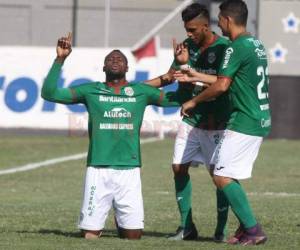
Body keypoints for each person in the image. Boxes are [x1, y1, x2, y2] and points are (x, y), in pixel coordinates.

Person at [41, 33, 180, 240]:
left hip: (129, 170)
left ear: (127, 68)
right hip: (98, 169)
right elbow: (49, 93)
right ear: (104, 68)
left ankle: (121, 217)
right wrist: (60, 59)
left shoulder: (141, 91)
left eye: (120, 59)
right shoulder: (90, 90)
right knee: (90, 235)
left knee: (133, 237)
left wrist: (180, 63)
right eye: (110, 60)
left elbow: (177, 99)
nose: (115, 61)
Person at [180, 0, 270, 246]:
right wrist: (196, 74)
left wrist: (193, 102)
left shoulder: (234, 47)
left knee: (221, 176)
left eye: (219, 19)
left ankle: (253, 230)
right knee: (227, 172)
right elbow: (228, 79)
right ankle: (244, 227)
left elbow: (222, 85)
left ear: (228, 20)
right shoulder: (255, 44)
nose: (217, 24)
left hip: (244, 119)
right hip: (257, 117)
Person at [147, 3, 231, 241]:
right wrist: (137, 88)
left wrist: (194, 76)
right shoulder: (187, 47)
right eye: (186, 29)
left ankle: (221, 230)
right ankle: (187, 227)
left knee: (220, 177)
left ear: (206, 26)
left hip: (217, 121)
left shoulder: (224, 48)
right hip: (191, 119)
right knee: (178, 167)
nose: (189, 34)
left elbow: (225, 82)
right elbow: (169, 77)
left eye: (193, 29)